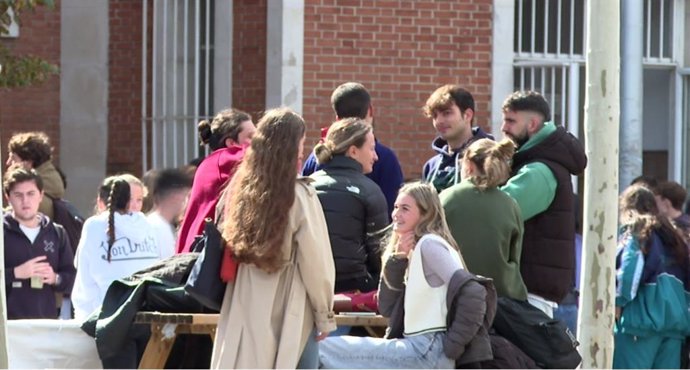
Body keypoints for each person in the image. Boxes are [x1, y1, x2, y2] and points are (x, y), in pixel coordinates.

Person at [210, 107, 336, 369]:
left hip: (242, 298)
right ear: (293, 145)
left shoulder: (240, 189)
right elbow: (316, 261)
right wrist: (324, 315)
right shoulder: (300, 195)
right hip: (289, 299)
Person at [320, 182, 494, 369]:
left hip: (427, 350)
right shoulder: (416, 249)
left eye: (405, 208)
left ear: (425, 214)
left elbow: (474, 291)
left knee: (321, 349)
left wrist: (453, 346)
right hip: (420, 347)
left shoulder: (430, 245)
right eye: (395, 207)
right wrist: (397, 260)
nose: (396, 214)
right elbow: (386, 307)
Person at [499, 90, 587, 317]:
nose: (503, 128)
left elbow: (496, 212)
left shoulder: (538, 171)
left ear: (532, 124)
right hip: (533, 292)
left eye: (511, 121)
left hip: (531, 295)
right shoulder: (539, 164)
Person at [613, 184, 690, 369]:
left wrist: (618, 302)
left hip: (639, 324)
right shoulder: (675, 238)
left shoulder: (637, 230)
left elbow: (630, 271)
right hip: (674, 326)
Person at [440, 138, 528, 300]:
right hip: (502, 299)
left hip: (455, 296)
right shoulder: (511, 204)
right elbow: (514, 256)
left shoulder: (447, 198)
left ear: (469, 165)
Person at [310, 117, 389, 293]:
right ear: (353, 151)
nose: (376, 157)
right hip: (354, 288)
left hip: (310, 286)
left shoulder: (307, 186)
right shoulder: (370, 191)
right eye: (372, 149)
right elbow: (380, 249)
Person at [301, 82, 404, 217]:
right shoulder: (385, 159)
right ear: (370, 111)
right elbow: (393, 213)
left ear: (337, 118)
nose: (374, 156)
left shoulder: (318, 157)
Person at [71, 176, 162, 321]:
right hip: (148, 314)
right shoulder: (152, 225)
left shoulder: (94, 226)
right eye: (131, 199)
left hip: (106, 317)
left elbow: (84, 279)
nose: (134, 205)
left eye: (139, 200)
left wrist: (83, 316)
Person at [176, 108, 255, 253]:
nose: (256, 142)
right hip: (204, 257)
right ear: (231, 143)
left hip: (199, 252)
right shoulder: (225, 158)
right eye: (251, 137)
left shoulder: (211, 162)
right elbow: (265, 158)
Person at [2, 167, 76, 319]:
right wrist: (16, 273)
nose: (25, 201)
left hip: (46, 322)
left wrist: (55, 278)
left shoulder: (57, 232)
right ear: (7, 198)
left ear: (41, 195)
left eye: (31, 194)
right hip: (7, 326)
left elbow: (71, 277)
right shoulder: (2, 232)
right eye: (18, 195)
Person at [422, 85, 493, 193]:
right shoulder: (431, 166)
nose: (438, 121)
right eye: (434, 116)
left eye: (447, 113)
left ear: (467, 115)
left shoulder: (489, 157)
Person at [7, 131, 66, 220]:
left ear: (28, 162)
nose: (8, 163)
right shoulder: (50, 184)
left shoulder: (35, 200)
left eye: (13, 158)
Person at [146, 168, 193, 259]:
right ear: (176, 196)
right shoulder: (159, 228)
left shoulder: (156, 224)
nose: (188, 201)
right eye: (186, 195)